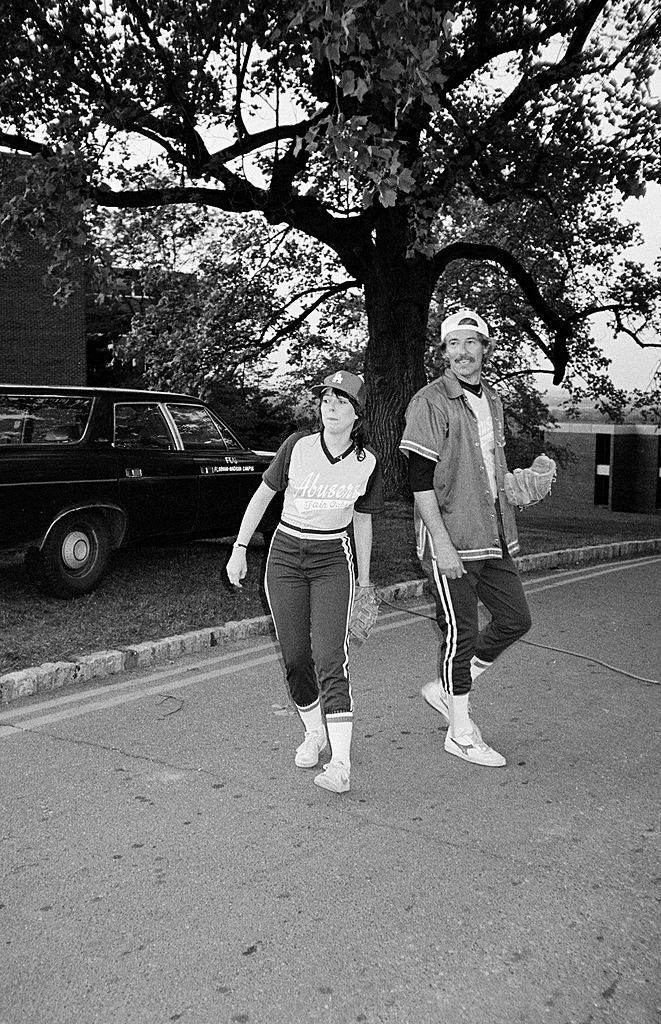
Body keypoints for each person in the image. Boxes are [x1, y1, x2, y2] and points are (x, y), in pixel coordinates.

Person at [226, 370, 384, 794]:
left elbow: (363, 521)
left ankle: (342, 763)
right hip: (285, 557)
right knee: (297, 658)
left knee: (331, 656)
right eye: (326, 398)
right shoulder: (298, 446)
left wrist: (365, 582)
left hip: (333, 558)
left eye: (341, 400)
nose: (330, 405)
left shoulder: (366, 461)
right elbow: (263, 496)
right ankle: (315, 732)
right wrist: (240, 548)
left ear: (357, 414)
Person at [399, 308, 532, 767]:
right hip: (451, 538)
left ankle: (448, 688)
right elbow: (419, 482)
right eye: (453, 344)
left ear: (485, 349)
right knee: (461, 631)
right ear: (444, 352)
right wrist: (442, 544)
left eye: (471, 342)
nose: (462, 352)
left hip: (491, 535)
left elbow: (486, 469)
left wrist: (514, 486)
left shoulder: (492, 401)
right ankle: (459, 732)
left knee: (516, 619)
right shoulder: (430, 401)